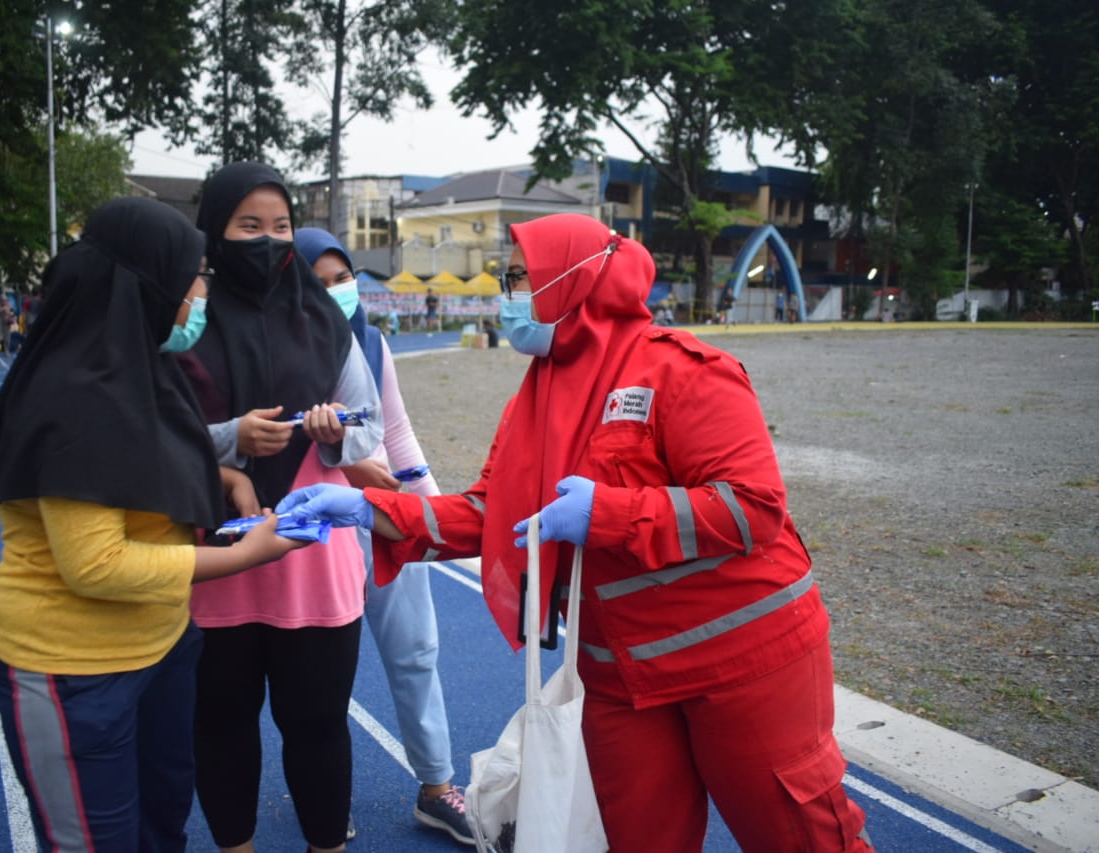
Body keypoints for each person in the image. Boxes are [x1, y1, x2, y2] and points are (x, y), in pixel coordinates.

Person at [278, 213, 873, 853]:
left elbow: (752, 508)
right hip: (618, 675)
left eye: (519, 278)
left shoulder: (684, 371)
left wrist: (610, 515)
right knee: (639, 838)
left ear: (575, 280)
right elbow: (491, 513)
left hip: (739, 661)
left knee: (796, 834)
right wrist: (369, 510)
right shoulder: (534, 398)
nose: (508, 295)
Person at [0, 196, 307, 853]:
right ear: (148, 283)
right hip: (73, 669)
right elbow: (98, 565)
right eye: (195, 274)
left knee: (162, 826)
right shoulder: (74, 393)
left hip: (163, 644)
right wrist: (252, 552)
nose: (203, 290)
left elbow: (154, 457)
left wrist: (225, 475)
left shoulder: (142, 365)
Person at [178, 162, 382, 853]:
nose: (268, 240)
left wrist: (334, 429)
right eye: (248, 226)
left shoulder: (326, 319)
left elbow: (370, 426)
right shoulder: (188, 321)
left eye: (281, 226)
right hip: (219, 557)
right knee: (221, 725)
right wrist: (231, 437)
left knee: (319, 725)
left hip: (309, 556)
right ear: (216, 232)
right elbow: (155, 428)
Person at [294, 228, 474, 846]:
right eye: (315, 281)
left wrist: (437, 517)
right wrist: (344, 464)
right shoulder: (273, 350)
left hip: (383, 517)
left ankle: (436, 786)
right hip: (314, 534)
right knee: (321, 677)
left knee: (417, 650)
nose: (334, 291)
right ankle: (324, 795)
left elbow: (397, 434)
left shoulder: (371, 342)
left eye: (341, 277)